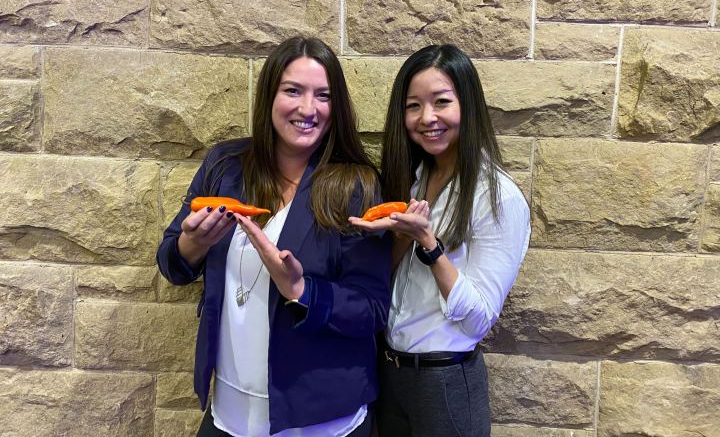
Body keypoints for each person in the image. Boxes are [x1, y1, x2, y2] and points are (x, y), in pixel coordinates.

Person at [157, 37, 392, 437]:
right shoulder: (225, 165)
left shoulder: (355, 185)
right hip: (229, 414)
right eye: (293, 91)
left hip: (321, 421)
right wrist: (192, 246)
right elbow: (171, 264)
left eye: (323, 95)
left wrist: (302, 290)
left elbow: (372, 309)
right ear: (269, 96)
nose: (307, 108)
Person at [349, 44, 531, 436]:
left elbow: (480, 318)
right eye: (413, 106)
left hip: (445, 380)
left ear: (467, 105)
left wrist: (430, 247)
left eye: (441, 102)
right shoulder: (415, 179)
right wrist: (396, 235)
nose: (426, 117)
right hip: (392, 374)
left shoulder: (496, 195)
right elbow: (396, 285)